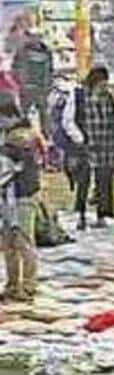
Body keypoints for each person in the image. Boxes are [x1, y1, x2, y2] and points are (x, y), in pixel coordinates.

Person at [72, 67, 114, 230]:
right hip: (86, 144)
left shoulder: (108, 97)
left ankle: (103, 214)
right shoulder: (80, 96)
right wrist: (79, 139)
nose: (104, 87)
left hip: (107, 144)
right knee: (84, 181)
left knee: (104, 180)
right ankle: (81, 214)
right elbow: (71, 120)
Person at [0, 126, 37, 302]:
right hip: (8, 201)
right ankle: (13, 285)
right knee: (9, 245)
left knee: (23, 242)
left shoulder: (19, 146)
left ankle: (29, 285)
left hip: (22, 199)